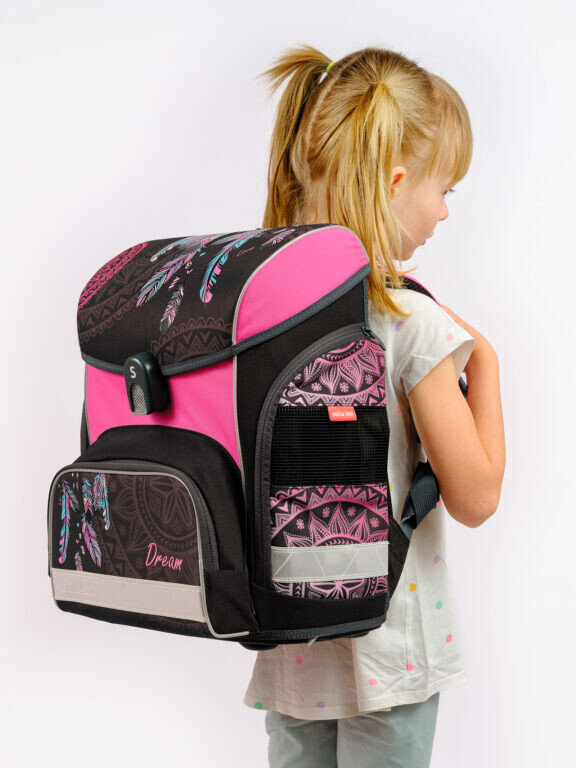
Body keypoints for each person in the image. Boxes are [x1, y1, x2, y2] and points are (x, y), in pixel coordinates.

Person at [243, 44, 506, 768]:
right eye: (444, 189)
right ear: (396, 181)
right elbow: (477, 496)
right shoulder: (410, 322)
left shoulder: (267, 316)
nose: (444, 211)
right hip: (391, 649)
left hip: (291, 639)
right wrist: (485, 361)